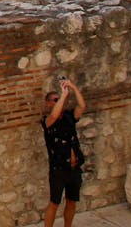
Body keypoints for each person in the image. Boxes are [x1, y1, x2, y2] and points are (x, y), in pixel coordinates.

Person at [42, 77, 86, 227]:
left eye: (59, 99)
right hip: (58, 170)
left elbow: (82, 106)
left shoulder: (69, 117)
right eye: (55, 100)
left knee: (71, 201)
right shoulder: (47, 121)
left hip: (73, 168)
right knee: (54, 203)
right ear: (49, 103)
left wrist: (72, 87)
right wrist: (64, 96)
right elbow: (54, 115)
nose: (58, 101)